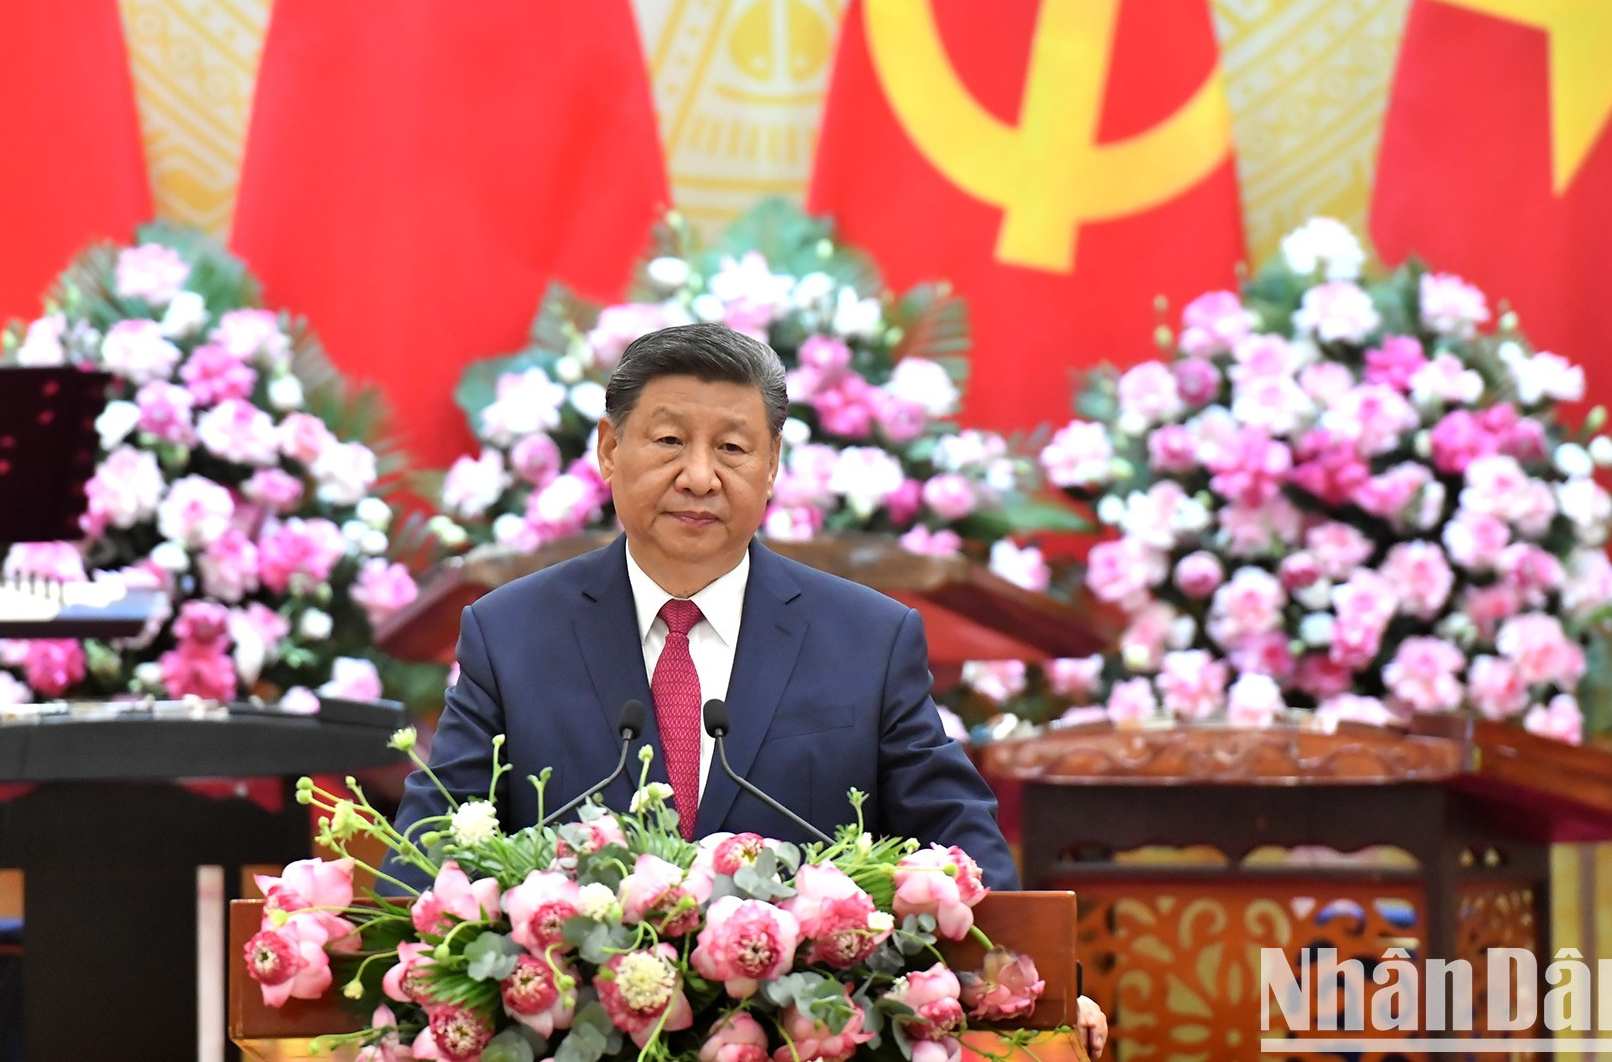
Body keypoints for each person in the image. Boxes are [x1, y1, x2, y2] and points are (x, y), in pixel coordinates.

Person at [392, 322, 1106, 1055]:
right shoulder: (510, 634)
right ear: (609, 449)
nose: (699, 477)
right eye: (669, 441)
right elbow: (427, 853)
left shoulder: (869, 638)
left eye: (732, 449)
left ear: (771, 468)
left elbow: (957, 833)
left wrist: (1041, 978)